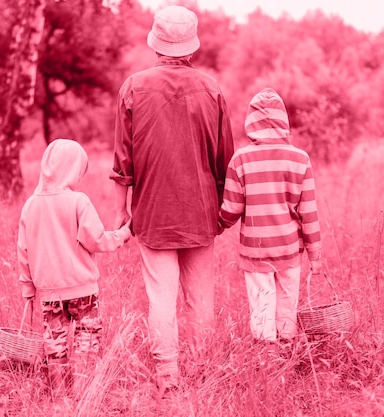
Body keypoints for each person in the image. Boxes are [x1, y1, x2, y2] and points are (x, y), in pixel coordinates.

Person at [110, 5, 234, 394]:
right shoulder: (212, 89)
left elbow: (122, 163)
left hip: (152, 213)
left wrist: (121, 213)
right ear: (191, 46)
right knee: (200, 296)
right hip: (202, 211)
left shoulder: (133, 87)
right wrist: (223, 213)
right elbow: (224, 162)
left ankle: (168, 376)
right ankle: (201, 370)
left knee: (160, 296)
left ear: (157, 43)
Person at [17, 138, 132, 395]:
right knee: (87, 341)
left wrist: (28, 288)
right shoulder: (79, 201)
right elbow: (97, 240)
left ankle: (59, 397)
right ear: (72, 170)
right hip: (83, 290)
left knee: (54, 346)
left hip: (49, 293)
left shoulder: (30, 206)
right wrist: (123, 235)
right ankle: (84, 393)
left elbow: (23, 250)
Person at [218, 88, 322, 346]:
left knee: (262, 301)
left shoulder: (240, 159)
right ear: (283, 121)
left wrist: (220, 223)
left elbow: (231, 208)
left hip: (256, 250)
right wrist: (315, 255)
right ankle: (287, 345)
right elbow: (308, 212)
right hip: (289, 250)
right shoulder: (300, 159)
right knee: (287, 301)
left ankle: (267, 354)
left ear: (251, 121)